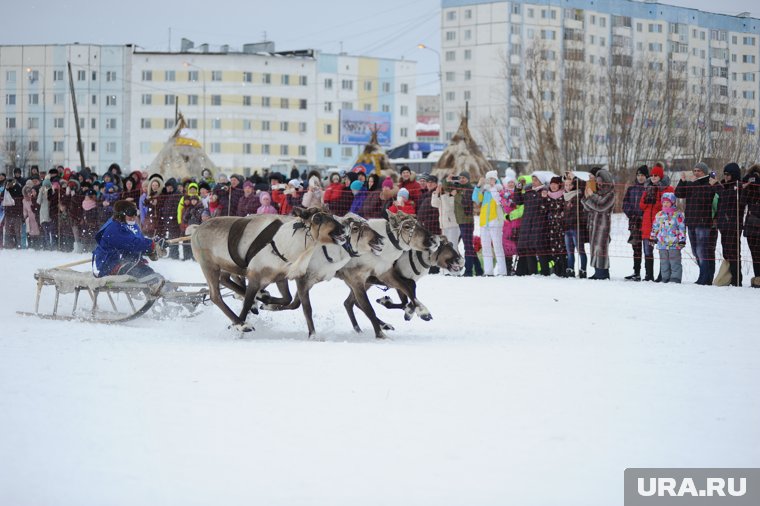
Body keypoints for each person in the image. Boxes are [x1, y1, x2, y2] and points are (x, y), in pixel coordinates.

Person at [92, 200, 167, 293]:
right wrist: (151, 245)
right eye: (130, 213)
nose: (134, 217)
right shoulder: (113, 228)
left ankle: (176, 295)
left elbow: (138, 243)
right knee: (147, 275)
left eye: (135, 213)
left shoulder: (128, 226)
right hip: (109, 266)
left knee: (151, 274)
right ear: (121, 214)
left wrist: (152, 247)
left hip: (126, 261)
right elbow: (132, 244)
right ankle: (159, 290)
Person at [674, 162, 717, 285]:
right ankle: (705, 277)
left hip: (703, 222)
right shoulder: (691, 184)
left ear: (704, 172)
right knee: (695, 251)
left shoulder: (708, 183)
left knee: (701, 251)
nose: (696, 172)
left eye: (699, 170)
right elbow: (678, 193)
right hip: (691, 221)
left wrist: (695, 184)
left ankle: (704, 278)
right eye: (695, 170)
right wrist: (682, 181)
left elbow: (705, 198)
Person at [639, 164, 673, 281]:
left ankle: (662, 275)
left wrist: (656, 201)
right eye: (652, 175)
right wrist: (648, 200)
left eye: (656, 175)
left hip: (661, 224)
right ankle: (649, 275)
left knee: (662, 251)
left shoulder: (667, 189)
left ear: (660, 176)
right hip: (647, 223)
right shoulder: (647, 188)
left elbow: (667, 205)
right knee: (648, 251)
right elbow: (642, 205)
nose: (653, 177)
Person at [714, 163, 744, 286]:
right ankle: (728, 277)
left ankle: (737, 280)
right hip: (723, 225)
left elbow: (729, 198)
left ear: (734, 175)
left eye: (728, 174)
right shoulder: (724, 187)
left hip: (733, 225)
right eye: (724, 174)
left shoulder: (738, 187)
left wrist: (717, 186)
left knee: (734, 252)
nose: (725, 176)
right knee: (726, 252)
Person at [582, 169, 615, 280]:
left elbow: (601, 206)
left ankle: (602, 273)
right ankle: (598, 272)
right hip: (593, 224)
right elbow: (588, 208)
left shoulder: (610, 194)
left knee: (601, 249)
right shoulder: (597, 192)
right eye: (598, 181)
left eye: (601, 181)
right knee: (594, 249)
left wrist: (591, 197)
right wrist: (586, 196)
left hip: (603, 226)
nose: (599, 183)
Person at [473, 170, 507, 276]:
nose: (490, 181)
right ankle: (488, 271)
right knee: (486, 247)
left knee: (497, 247)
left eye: (492, 179)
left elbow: (498, 200)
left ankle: (502, 271)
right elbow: (476, 199)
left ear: (496, 180)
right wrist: (478, 186)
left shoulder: (500, 190)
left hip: (495, 222)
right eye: (488, 179)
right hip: (484, 222)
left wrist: (492, 187)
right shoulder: (485, 191)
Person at [650, 192, 686, 283]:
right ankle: (665, 277)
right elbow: (655, 227)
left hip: (674, 243)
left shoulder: (677, 215)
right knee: (664, 261)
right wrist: (653, 237)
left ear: (673, 202)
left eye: (668, 202)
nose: (665, 204)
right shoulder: (659, 215)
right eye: (664, 202)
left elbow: (682, 228)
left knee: (674, 261)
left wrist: (682, 240)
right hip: (662, 243)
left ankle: (675, 278)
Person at [623, 165, 649, 281]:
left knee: (648, 248)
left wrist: (644, 214)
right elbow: (625, 203)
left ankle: (649, 274)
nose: (640, 177)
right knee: (636, 248)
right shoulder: (631, 189)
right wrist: (631, 213)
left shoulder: (649, 188)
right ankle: (636, 272)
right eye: (638, 175)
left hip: (646, 221)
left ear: (646, 176)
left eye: (642, 175)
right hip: (634, 221)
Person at [741, 165, 760, 287]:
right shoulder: (748, 187)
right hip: (751, 222)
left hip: (754, 221)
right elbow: (742, 201)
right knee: (754, 253)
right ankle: (757, 277)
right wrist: (746, 185)